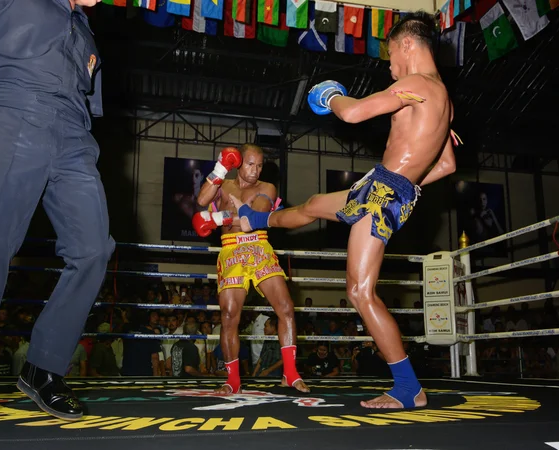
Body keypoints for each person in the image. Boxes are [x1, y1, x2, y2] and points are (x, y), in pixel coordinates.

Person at [231, 12, 458, 409]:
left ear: (408, 44)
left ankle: (408, 388)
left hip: (385, 192)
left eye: (390, 55)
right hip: (383, 185)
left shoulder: (417, 84)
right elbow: (446, 166)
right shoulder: (444, 101)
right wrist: (407, 183)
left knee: (359, 291)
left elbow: (352, 113)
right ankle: (254, 220)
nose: (389, 65)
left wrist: (331, 95)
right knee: (315, 205)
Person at [0, 0, 113, 437]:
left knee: (93, 250)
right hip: (15, 115)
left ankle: (43, 368)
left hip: (75, 138)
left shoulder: (86, 32)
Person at [192, 144, 309, 394]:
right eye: (249, 164)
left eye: (259, 165)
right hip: (231, 249)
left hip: (259, 247)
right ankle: (232, 380)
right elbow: (202, 200)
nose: (255, 170)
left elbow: (253, 219)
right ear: (238, 163)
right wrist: (220, 168)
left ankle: (290, 373)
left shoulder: (266, 188)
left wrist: (216, 219)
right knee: (229, 315)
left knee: (286, 308)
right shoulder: (224, 184)